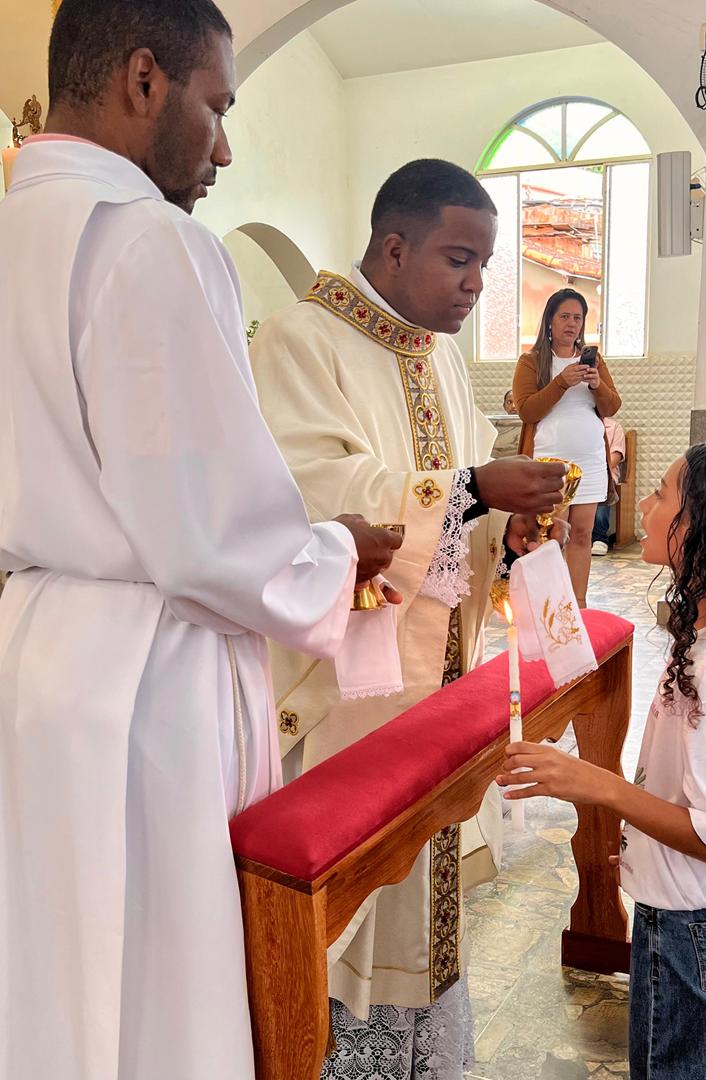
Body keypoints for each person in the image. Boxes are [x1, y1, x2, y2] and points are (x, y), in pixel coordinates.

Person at [0, 3, 402, 1079]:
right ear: (144, 80)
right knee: (162, 995)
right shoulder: (154, 242)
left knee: (50, 967)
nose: (223, 148)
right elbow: (218, 539)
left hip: (31, 653)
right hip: (151, 682)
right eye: (217, 107)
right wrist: (337, 549)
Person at [251, 158, 568, 1080]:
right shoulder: (300, 340)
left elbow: (463, 504)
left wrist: (508, 525)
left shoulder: (440, 354)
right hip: (352, 690)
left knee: (427, 891)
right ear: (394, 249)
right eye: (458, 260)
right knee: (355, 903)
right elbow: (316, 496)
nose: (476, 285)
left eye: (485, 265)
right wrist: (472, 490)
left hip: (441, 683)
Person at [498, 437, 706, 1080]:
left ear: (705, 531)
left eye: (663, 495)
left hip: (698, 928)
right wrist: (648, 846)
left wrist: (595, 783)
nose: (642, 504)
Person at [512, 287, 621, 606]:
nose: (571, 324)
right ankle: (550, 606)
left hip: (590, 459)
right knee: (550, 536)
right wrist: (561, 382)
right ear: (550, 320)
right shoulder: (531, 361)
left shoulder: (594, 360)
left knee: (583, 534)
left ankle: (579, 606)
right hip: (550, 460)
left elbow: (612, 406)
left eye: (577, 317)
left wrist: (597, 384)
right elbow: (527, 410)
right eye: (564, 316)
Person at [591, 416, 626, 555]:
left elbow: (616, 456)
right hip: (582, 472)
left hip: (606, 472)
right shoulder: (582, 423)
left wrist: (596, 470)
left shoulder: (614, 427)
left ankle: (600, 538)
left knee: (602, 480)